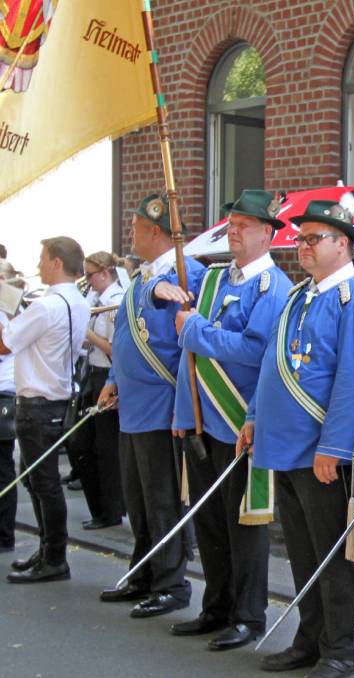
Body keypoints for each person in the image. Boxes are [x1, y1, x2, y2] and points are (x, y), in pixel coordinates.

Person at [238, 195, 354, 678]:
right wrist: (254, 417)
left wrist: (336, 447)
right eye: (300, 238)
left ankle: (340, 649)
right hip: (287, 443)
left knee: (333, 555)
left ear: (342, 244)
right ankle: (310, 638)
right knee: (304, 552)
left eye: (313, 238)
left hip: (324, 451)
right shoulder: (300, 295)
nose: (302, 246)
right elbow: (273, 362)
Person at [168, 190, 291, 650]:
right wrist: (184, 413)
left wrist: (197, 330)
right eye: (231, 225)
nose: (233, 232)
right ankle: (215, 606)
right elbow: (191, 359)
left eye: (243, 226)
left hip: (239, 419)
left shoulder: (273, 288)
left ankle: (248, 615)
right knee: (209, 523)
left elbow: (255, 351)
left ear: (267, 234)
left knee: (244, 526)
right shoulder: (216, 279)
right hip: (204, 420)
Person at [97, 194, 205, 618]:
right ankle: (142, 571)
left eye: (136, 227)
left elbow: (187, 346)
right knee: (138, 499)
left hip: (162, 403)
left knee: (162, 500)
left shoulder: (186, 272)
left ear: (156, 231)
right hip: (132, 403)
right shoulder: (143, 276)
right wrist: (113, 379)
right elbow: (126, 335)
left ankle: (170, 583)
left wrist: (184, 406)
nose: (131, 234)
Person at [4, 236, 90, 583]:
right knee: (39, 479)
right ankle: (48, 550)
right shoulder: (76, 301)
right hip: (55, 397)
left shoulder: (47, 305)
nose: (38, 266)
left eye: (42, 259)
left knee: (44, 483)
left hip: (38, 402)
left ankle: (54, 557)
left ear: (56, 262)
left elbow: (5, 344)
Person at [69, 251, 126, 531]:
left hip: (107, 374)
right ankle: (100, 508)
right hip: (91, 372)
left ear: (105, 273)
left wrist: (87, 333)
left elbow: (115, 349)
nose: (87, 281)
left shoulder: (115, 302)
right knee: (83, 444)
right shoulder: (94, 299)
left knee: (105, 448)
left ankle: (110, 510)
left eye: (90, 275)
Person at [0, 260, 23, 553]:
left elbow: (5, 346)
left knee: (3, 466)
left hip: (4, 392)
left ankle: (4, 535)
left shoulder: (10, 308)